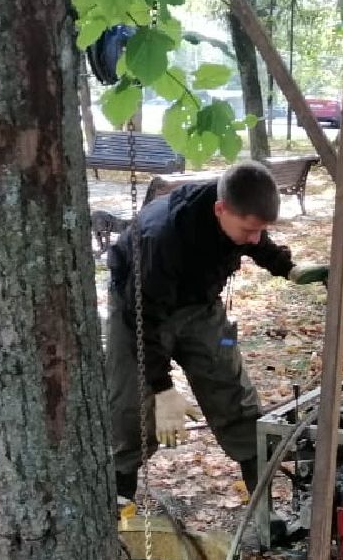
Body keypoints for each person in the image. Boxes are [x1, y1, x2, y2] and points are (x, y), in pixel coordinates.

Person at [107, 160, 328, 502]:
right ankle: (120, 497)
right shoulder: (162, 238)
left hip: (200, 306)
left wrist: (289, 268)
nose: (255, 238)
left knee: (232, 391)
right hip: (138, 309)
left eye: (261, 229)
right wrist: (164, 391)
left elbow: (257, 241)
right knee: (131, 407)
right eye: (249, 230)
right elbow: (144, 319)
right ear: (219, 209)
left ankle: (262, 503)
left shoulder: (239, 210)